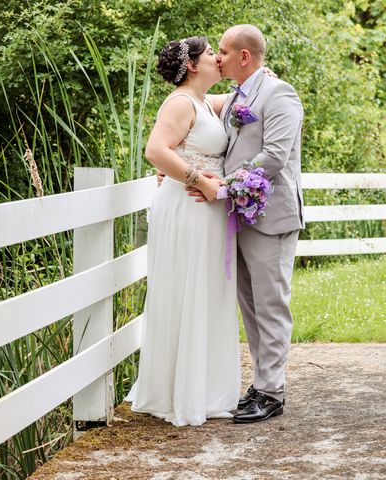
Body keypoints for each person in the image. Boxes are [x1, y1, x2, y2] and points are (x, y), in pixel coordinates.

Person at [124, 36, 241, 426]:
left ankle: (205, 390)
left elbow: (244, 98)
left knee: (206, 292)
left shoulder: (207, 101)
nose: (217, 59)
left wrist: (262, 79)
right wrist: (199, 179)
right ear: (192, 64)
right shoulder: (178, 103)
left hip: (206, 212)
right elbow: (156, 151)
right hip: (186, 206)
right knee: (186, 291)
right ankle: (180, 393)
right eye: (211, 53)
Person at [212, 24, 304, 423]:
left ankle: (273, 392)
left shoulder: (279, 93)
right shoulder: (239, 94)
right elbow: (197, 102)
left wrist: (220, 185)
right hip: (243, 217)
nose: (217, 58)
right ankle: (261, 383)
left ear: (244, 56)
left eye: (223, 52)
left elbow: (275, 157)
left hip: (272, 217)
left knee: (271, 305)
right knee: (250, 306)